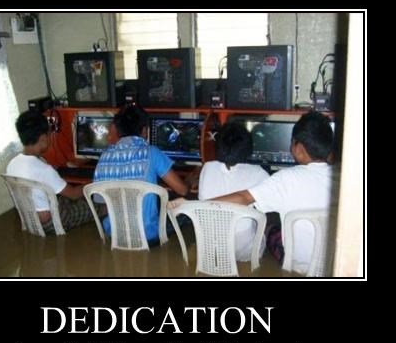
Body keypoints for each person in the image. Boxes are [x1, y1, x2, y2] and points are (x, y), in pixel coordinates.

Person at [171, 111, 339, 274]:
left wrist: (193, 204)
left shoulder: (284, 179)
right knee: (268, 222)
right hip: (335, 263)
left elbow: (243, 197)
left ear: (299, 148)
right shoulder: (346, 180)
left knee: (271, 228)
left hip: (296, 266)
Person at [93, 104, 191, 244]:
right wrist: (190, 180)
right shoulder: (152, 152)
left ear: (118, 130)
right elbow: (182, 190)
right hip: (148, 236)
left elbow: (101, 203)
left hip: (114, 235)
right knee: (186, 209)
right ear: (144, 130)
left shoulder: (104, 156)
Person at [6, 110, 99, 234]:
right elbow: (74, 194)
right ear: (43, 138)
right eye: (49, 134)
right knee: (96, 205)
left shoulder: (12, 164)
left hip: (29, 218)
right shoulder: (44, 169)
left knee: (66, 198)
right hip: (51, 221)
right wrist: (95, 182)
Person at [198, 119, 269, 261]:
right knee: (269, 222)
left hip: (212, 249)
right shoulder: (259, 173)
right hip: (246, 252)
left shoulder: (207, 168)